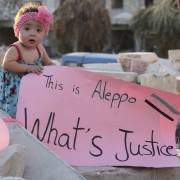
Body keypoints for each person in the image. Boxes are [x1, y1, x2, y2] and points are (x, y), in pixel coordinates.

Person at [0, 2, 56, 119]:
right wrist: (28, 68)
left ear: (44, 34)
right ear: (18, 30)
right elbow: (7, 64)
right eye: (27, 28)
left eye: (38, 30)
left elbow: (49, 63)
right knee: (13, 114)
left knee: (30, 112)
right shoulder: (16, 48)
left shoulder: (40, 49)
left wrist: (58, 69)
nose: (32, 33)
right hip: (14, 91)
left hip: (32, 89)